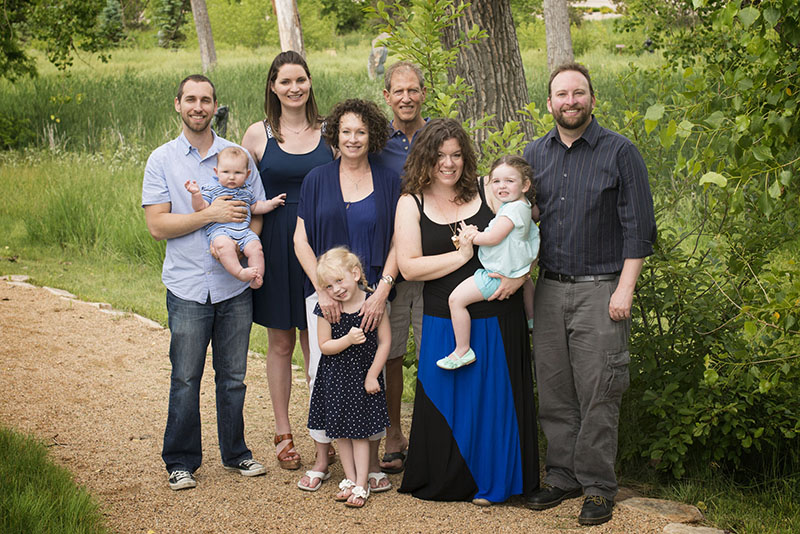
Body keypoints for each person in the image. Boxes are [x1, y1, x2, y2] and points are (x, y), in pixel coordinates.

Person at [523, 63, 656, 526]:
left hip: (602, 291)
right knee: (555, 391)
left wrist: (625, 289)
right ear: (549, 103)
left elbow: (639, 228)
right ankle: (563, 476)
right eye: (562, 94)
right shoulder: (534, 153)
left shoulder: (620, 152)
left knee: (600, 390)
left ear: (592, 100)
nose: (571, 101)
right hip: (549, 288)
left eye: (578, 93)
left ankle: (598, 486)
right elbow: (520, 218)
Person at [395, 118, 539, 505]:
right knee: (448, 403)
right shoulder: (411, 202)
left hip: (497, 316)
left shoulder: (488, 189)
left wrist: (521, 275)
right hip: (443, 319)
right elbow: (409, 267)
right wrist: (460, 257)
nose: (449, 163)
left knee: (495, 407)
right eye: (440, 155)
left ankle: (499, 482)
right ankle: (448, 482)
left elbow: (527, 230)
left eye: (457, 155)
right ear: (424, 157)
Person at [142, 74, 266, 490]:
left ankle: (236, 453)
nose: (198, 106)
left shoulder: (236, 156)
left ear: (215, 106)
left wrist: (243, 248)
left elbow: (255, 211)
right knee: (185, 378)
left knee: (233, 378)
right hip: (188, 286)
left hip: (234, 288)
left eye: (206, 100)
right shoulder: (162, 160)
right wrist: (210, 216)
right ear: (178, 104)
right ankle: (181, 461)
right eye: (191, 99)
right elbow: (158, 226)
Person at [294, 98, 401, 493]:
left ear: (372, 135)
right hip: (325, 297)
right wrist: (323, 290)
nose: (353, 138)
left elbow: (399, 241)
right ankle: (323, 459)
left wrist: (382, 290)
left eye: (361, 131)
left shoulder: (388, 180)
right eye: (346, 131)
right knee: (321, 373)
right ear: (335, 135)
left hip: (370, 298)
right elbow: (300, 240)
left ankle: (369, 465)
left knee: (370, 377)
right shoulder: (316, 179)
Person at [241, 51, 334, 471]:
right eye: (286, 81)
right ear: (273, 87)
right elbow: (241, 194)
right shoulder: (257, 135)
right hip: (276, 244)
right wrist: (245, 246)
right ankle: (283, 431)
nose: (294, 88)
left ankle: (323, 432)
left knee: (318, 342)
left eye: (301, 80)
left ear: (310, 82)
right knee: (280, 342)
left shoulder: (330, 131)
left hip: (320, 245)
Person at [369, 60, 429, 474]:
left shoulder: (439, 135)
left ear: (423, 93)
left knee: (433, 352)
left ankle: (428, 435)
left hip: (434, 263)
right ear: (387, 96)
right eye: (399, 91)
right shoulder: (375, 143)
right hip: (389, 264)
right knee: (390, 353)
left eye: (413, 90)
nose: (406, 98)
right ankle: (393, 434)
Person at [303, 247, 391, 508]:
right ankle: (350, 479)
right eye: (329, 286)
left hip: (363, 378)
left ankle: (362, 483)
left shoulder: (373, 303)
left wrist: (373, 375)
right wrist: (347, 340)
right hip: (336, 379)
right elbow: (324, 345)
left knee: (360, 434)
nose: (336, 290)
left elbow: (385, 342)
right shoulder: (327, 309)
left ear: (355, 273)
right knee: (340, 433)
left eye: (339, 281)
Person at [437, 155, 539, 370]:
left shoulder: (512, 210)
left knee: (456, 300)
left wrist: (470, 235)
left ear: (525, 185)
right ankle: (532, 318)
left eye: (509, 181)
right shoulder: (523, 205)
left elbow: (493, 237)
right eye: (496, 181)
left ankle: (462, 350)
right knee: (527, 282)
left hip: (498, 274)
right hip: (515, 269)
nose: (502, 186)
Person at [184, 146, 286, 289]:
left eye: (237, 173)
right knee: (224, 247)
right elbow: (200, 207)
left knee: (256, 248)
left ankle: (257, 277)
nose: (231, 177)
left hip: (244, 231)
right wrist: (196, 194)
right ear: (216, 172)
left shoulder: (247, 189)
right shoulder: (212, 188)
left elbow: (255, 207)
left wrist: (271, 203)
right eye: (226, 172)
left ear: (247, 174)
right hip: (221, 232)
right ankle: (239, 272)